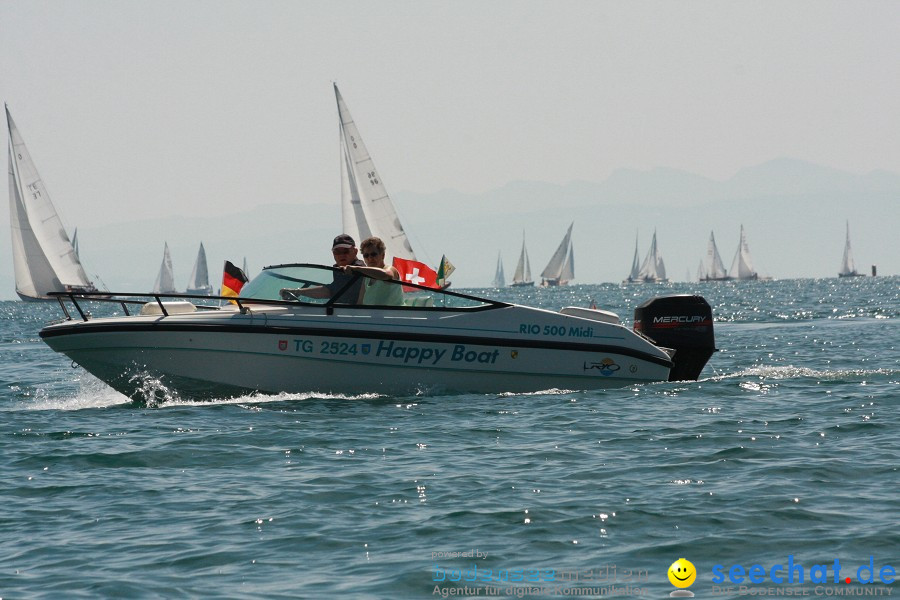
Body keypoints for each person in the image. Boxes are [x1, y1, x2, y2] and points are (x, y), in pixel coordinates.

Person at [279, 234, 365, 303]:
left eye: (345, 251)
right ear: (333, 254)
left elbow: (330, 291)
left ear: (355, 251)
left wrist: (297, 291)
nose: (341, 255)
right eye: (337, 252)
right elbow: (332, 289)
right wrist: (297, 291)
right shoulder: (339, 270)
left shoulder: (358, 269)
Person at [341, 237, 404, 306]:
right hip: (373, 315)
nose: (370, 258)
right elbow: (360, 303)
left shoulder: (390, 269)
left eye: (373, 254)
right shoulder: (366, 278)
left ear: (382, 255)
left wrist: (356, 268)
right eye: (366, 255)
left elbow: (387, 275)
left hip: (395, 315)